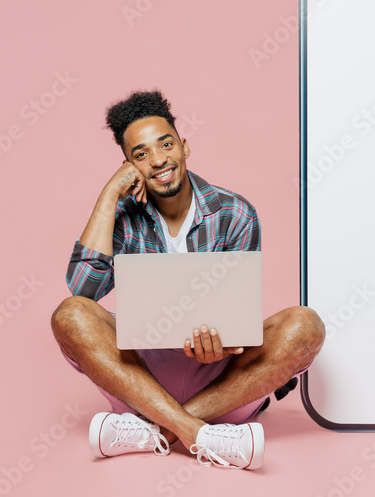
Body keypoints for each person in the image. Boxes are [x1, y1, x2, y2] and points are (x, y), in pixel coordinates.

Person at [50, 89, 325, 470]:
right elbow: (83, 291)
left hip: (221, 387)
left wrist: (226, 347)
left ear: (184, 146)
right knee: (69, 314)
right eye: (141, 154)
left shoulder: (235, 213)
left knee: (305, 325)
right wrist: (110, 195)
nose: (158, 160)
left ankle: (158, 433)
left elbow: (240, 321)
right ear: (128, 165)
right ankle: (200, 435)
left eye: (165, 145)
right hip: (141, 381)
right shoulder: (122, 217)